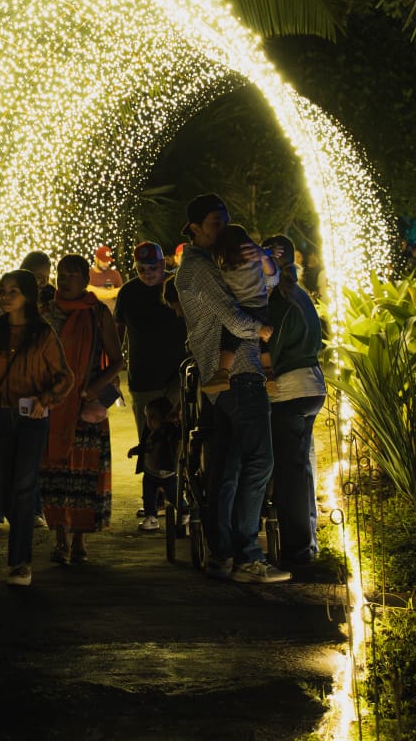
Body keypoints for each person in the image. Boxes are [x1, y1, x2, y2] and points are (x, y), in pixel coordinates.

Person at [175, 194, 290, 584]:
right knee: (259, 462)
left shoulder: (209, 264)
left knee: (226, 468)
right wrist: (260, 329)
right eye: (214, 224)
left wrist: (259, 261)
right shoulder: (199, 269)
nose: (222, 231)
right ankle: (246, 555)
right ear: (193, 228)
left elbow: (262, 282)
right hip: (238, 375)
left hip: (221, 382)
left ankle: (222, 554)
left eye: (225, 222)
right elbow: (234, 317)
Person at [0, 270, 73, 586]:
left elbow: (64, 377)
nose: (4, 297)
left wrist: (46, 399)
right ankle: (18, 558)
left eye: (12, 291)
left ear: (28, 296)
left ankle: (20, 562)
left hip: (32, 418)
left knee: (24, 486)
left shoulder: (42, 334)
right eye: (2, 291)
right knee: (3, 484)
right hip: (2, 416)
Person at [42, 254, 121, 563]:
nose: (66, 279)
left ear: (85, 279)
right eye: (62, 273)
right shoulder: (46, 313)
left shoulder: (97, 313)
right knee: (54, 474)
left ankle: (79, 539)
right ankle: (60, 538)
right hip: (52, 404)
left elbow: (117, 361)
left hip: (85, 405)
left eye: (74, 274)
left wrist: (93, 388)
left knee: (83, 475)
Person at [260, 235, 327, 567]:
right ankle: (307, 542)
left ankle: (297, 550)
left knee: (289, 473)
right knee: (300, 468)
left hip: (289, 390)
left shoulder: (278, 302)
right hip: (312, 385)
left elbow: (271, 350)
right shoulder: (301, 296)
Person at [114, 240, 186, 530]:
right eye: (141, 269)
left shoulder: (175, 285)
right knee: (151, 439)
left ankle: (181, 495)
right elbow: (118, 327)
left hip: (176, 373)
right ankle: (153, 500)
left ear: (163, 264)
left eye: (153, 267)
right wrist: (116, 359)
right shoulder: (129, 292)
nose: (147, 273)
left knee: (180, 435)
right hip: (143, 375)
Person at [206, 223, 277, 392]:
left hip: (243, 307)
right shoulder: (256, 261)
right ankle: (270, 374)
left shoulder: (224, 269)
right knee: (264, 344)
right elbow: (272, 275)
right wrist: (265, 254)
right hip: (262, 306)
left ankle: (223, 373)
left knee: (229, 341)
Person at [88, 244, 123, 313]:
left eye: (108, 261)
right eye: (103, 261)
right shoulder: (87, 275)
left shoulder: (115, 274)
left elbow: (121, 296)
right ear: (96, 259)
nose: (106, 264)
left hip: (110, 314)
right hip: (91, 314)